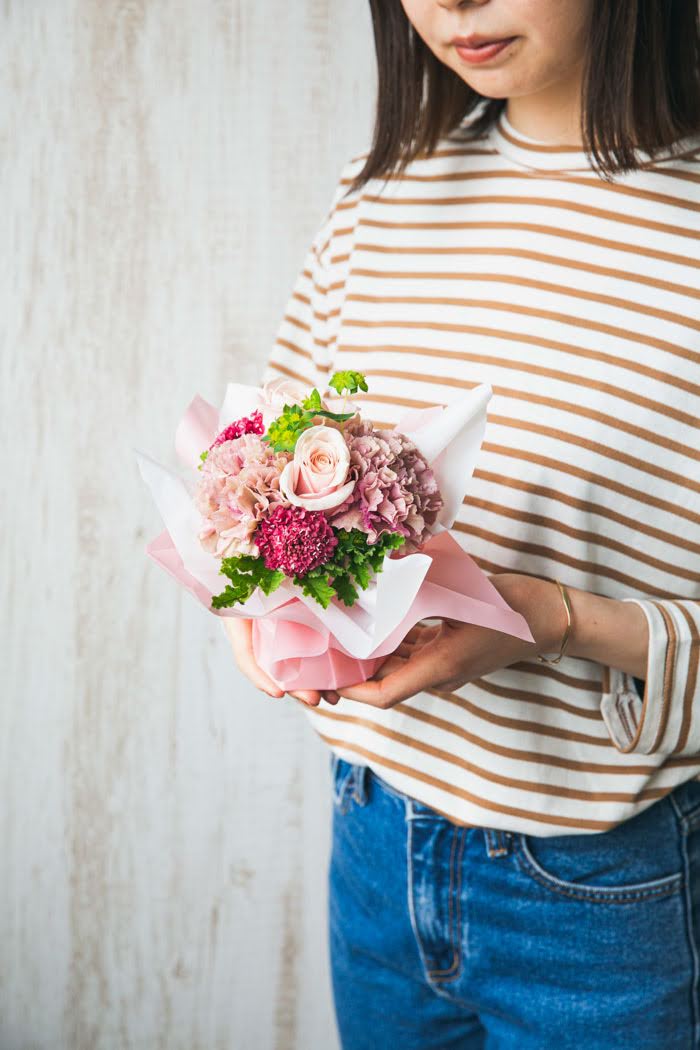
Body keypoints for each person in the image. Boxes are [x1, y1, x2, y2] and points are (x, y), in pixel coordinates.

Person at [224, 1, 700, 1045]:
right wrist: (251, 580)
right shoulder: (384, 194)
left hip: (607, 890)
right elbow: (266, 458)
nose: (451, 0)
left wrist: (557, 618)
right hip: (376, 835)